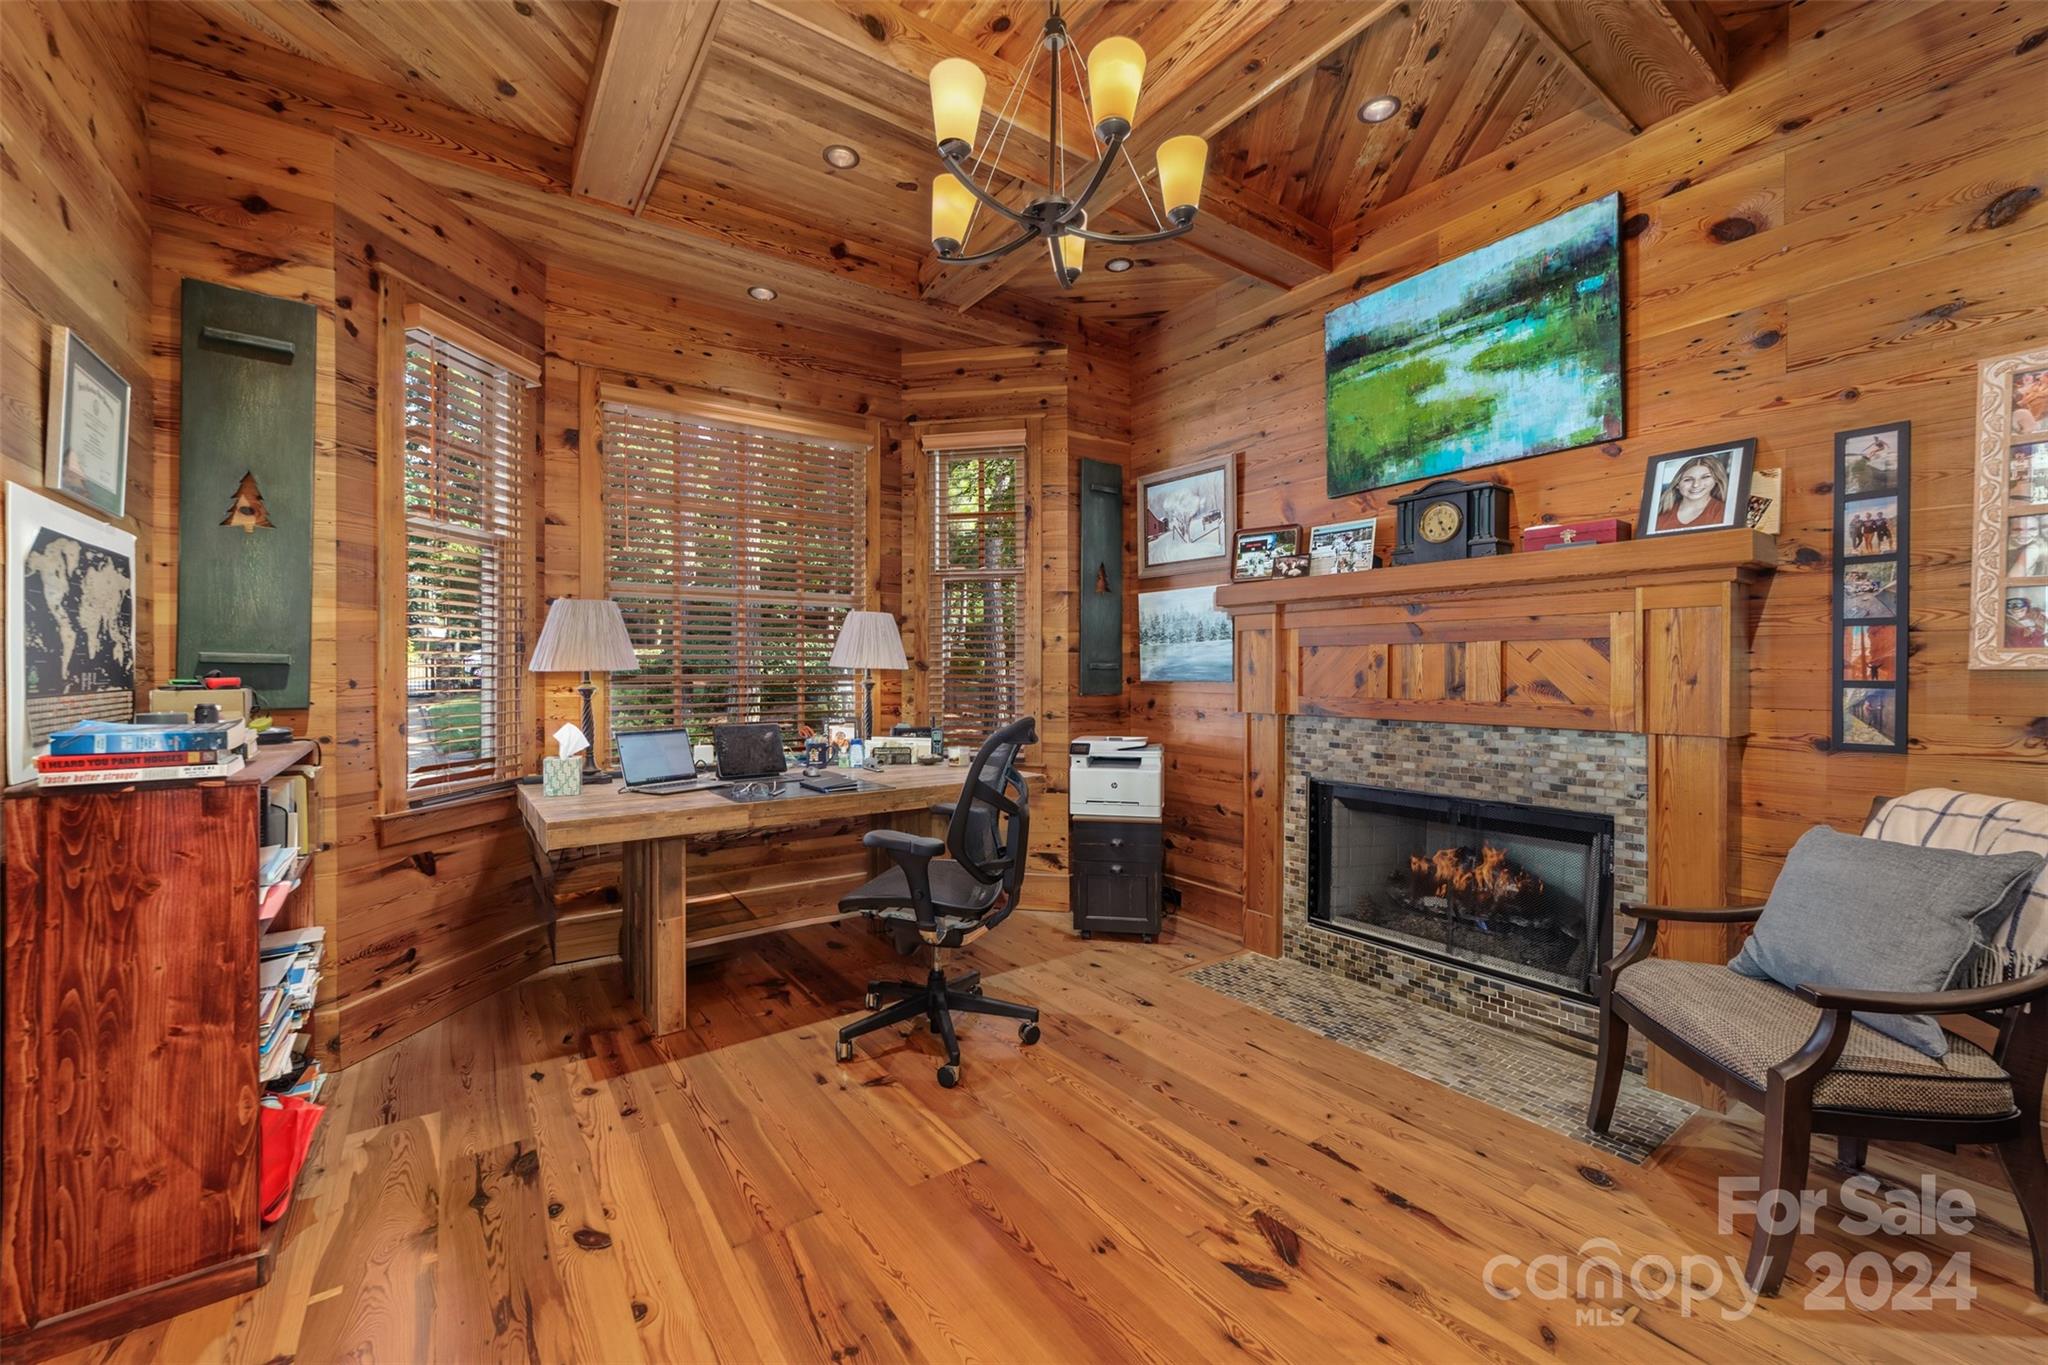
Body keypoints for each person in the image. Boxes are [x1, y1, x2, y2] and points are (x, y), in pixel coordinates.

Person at [1654, 455, 1728, 532]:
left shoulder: (1724, 511)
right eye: (1688, 479)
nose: (1696, 485)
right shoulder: (1660, 512)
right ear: (1677, 484)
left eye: (1705, 477)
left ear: (1716, 480)